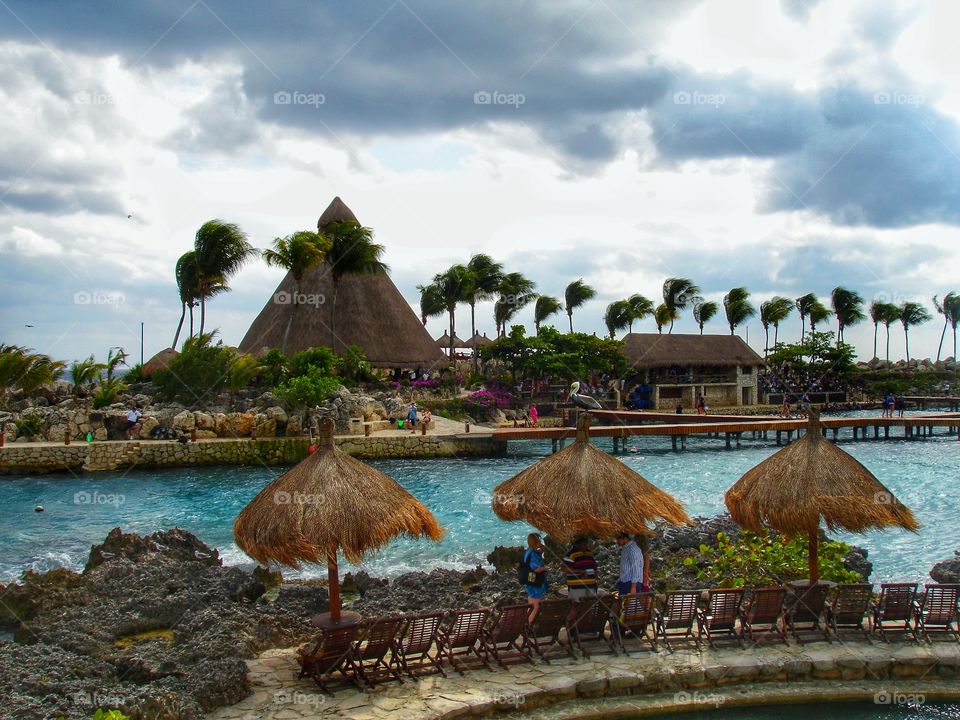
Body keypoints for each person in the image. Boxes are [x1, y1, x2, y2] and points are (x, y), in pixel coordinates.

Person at [562, 537, 598, 602]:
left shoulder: (589, 553)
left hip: (590, 585)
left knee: (589, 606)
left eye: (586, 543)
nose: (586, 545)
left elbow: (594, 567)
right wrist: (582, 572)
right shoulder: (571, 554)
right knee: (576, 606)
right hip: (577, 586)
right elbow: (567, 569)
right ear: (577, 544)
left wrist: (596, 576)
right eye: (584, 544)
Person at [523, 533, 548, 621]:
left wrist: (541, 548)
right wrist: (545, 568)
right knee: (535, 606)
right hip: (534, 580)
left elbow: (540, 552)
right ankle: (529, 625)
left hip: (531, 579)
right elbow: (536, 569)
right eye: (539, 541)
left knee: (532, 605)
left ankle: (527, 624)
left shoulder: (529, 551)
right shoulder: (533, 554)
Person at [616, 531, 644, 596]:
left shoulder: (632, 549)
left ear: (625, 538)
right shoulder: (626, 548)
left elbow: (636, 568)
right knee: (623, 604)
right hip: (624, 581)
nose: (617, 542)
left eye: (618, 539)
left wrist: (633, 587)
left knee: (631, 605)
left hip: (630, 582)